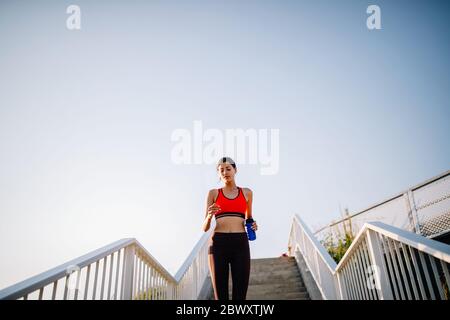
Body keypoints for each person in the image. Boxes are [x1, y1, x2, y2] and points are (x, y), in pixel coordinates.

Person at [202, 156, 258, 300]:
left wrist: (253, 225)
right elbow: (204, 227)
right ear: (218, 173)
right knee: (221, 296)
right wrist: (209, 215)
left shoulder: (247, 193)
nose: (225, 172)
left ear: (235, 170)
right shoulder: (213, 193)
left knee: (240, 294)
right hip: (218, 244)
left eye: (228, 169)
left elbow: (249, 218)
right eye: (221, 170)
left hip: (240, 243)